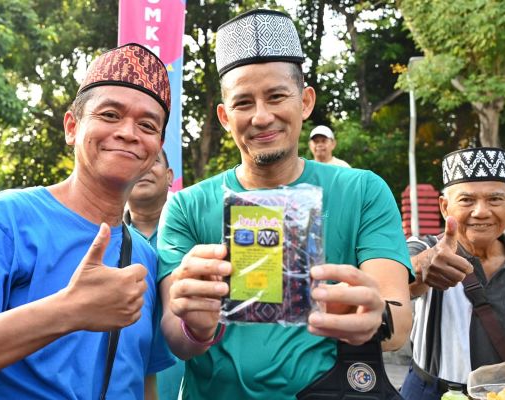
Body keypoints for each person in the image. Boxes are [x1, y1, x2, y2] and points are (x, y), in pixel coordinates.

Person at [0, 43, 174, 398]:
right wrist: (68, 310)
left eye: (147, 124)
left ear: (157, 146)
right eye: (110, 115)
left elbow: (143, 379)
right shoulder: (8, 220)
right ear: (72, 127)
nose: (129, 132)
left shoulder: (145, 257)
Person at [156, 9, 413, 399]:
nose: (261, 117)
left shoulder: (362, 191)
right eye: (243, 103)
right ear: (224, 116)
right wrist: (196, 325)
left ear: (305, 101)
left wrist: (374, 318)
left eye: (276, 96)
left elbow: (398, 317)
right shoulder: (186, 207)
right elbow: (177, 338)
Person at [401, 147, 505, 400]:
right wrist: (422, 267)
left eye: (494, 199)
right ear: (445, 207)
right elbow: (399, 272)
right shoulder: (427, 249)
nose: (481, 211)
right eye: (467, 200)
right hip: (432, 392)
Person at [125, 149, 184, 399]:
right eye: (136, 160)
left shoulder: (194, 238)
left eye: (154, 161)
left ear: (169, 176)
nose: (144, 167)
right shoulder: (103, 240)